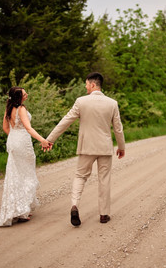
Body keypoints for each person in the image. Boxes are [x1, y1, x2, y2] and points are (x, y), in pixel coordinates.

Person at [46, 72, 125, 226]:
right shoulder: (112, 103)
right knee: (104, 180)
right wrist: (121, 147)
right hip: (104, 147)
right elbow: (118, 128)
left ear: (93, 84)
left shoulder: (81, 102)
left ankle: (75, 205)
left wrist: (50, 139)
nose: (85, 87)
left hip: (86, 147)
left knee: (80, 176)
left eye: (87, 84)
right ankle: (104, 214)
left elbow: (66, 120)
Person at [0, 87, 50, 227]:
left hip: (13, 141)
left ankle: (18, 208)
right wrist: (42, 140)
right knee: (26, 174)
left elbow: (6, 128)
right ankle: (22, 210)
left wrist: (14, 138)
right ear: (18, 97)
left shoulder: (8, 109)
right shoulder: (21, 109)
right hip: (22, 143)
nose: (27, 94)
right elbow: (29, 128)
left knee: (15, 174)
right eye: (24, 93)